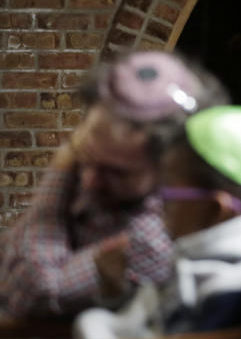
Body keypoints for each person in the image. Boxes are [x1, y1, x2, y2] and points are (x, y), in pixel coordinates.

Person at [0, 51, 227, 321]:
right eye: (83, 159)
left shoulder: (155, 237)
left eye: (117, 174)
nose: (89, 181)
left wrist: (60, 172)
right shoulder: (106, 159)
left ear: (172, 168)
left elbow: (31, 295)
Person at [74, 105, 241, 339]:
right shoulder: (200, 262)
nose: (159, 207)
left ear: (217, 211)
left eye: (169, 198)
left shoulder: (232, 287)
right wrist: (114, 292)